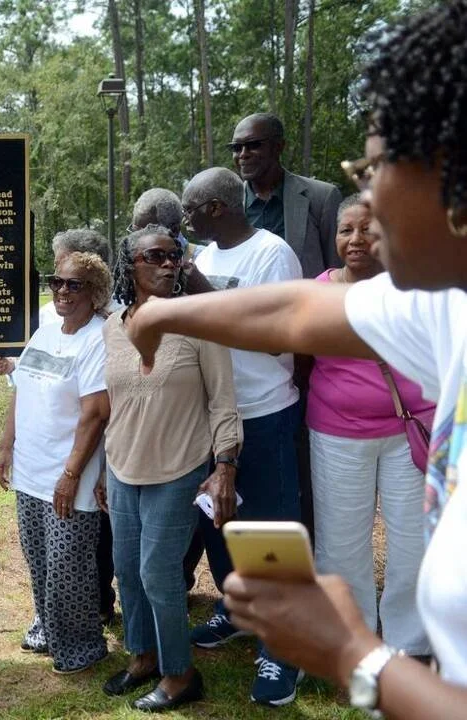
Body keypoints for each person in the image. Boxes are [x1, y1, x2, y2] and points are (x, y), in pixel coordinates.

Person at [123, 4, 467, 716]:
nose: (363, 203)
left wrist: (353, 657)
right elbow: (295, 310)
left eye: (371, 170)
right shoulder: (448, 305)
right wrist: (161, 314)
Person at [98, 227, 242, 711]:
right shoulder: (113, 326)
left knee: (159, 573)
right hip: (122, 466)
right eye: (155, 255)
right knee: (127, 570)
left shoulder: (200, 324)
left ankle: (180, 674)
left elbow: (223, 402)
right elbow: (114, 405)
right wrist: (102, 467)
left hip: (178, 467)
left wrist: (225, 466)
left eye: (174, 256)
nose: (168, 263)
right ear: (130, 265)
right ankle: (143, 656)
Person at [180, 166, 307, 706]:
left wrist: (205, 295)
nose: (183, 220)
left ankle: (285, 651)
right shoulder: (203, 258)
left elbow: (280, 339)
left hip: (264, 412)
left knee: (270, 533)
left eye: (190, 209)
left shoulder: (272, 254)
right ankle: (234, 611)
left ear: (216, 208)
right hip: (213, 417)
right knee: (219, 524)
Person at [305, 195, 433, 657]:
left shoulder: (417, 287)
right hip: (337, 433)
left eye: (368, 229)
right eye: (346, 230)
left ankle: (410, 645)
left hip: (408, 433)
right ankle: (352, 638)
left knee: (412, 540)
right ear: (335, 237)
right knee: (341, 541)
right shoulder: (318, 290)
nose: (356, 239)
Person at [0, 227, 118, 638]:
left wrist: (72, 474)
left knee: (69, 563)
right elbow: (21, 390)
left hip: (67, 474)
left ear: (95, 292)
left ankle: (79, 644)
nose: (62, 291)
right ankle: (46, 625)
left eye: (73, 285)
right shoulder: (45, 332)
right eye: (56, 282)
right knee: (38, 557)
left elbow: (96, 414)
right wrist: (6, 444)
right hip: (30, 470)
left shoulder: (99, 338)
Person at [230, 112, 343, 279]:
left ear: (278, 147)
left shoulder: (322, 197)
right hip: (246, 304)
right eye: (236, 147)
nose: (243, 154)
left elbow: (338, 270)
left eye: (254, 145)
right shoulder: (230, 205)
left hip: (306, 302)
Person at [127, 188, 202, 260]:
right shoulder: (131, 263)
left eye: (145, 234)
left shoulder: (205, 263)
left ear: (174, 231)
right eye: (134, 232)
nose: (136, 241)